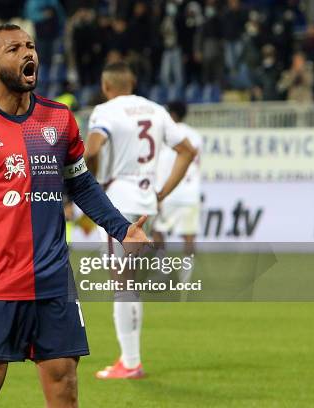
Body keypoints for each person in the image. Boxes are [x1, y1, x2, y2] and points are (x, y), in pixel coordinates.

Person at [0, 24, 150, 408]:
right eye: (14, 49)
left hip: (52, 279)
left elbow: (81, 184)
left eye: (30, 46)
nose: (28, 53)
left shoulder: (58, 119)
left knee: (65, 388)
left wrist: (122, 228)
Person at [84, 62, 195, 379]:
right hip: (147, 201)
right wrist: (161, 193)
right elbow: (186, 151)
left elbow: (92, 149)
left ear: (106, 86)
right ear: (131, 81)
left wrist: (91, 186)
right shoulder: (156, 109)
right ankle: (130, 359)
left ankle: (130, 362)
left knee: (122, 283)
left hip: (118, 202)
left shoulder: (105, 111)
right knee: (128, 283)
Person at [153, 101, 202, 290]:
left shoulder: (168, 135)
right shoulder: (196, 136)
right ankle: (186, 277)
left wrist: (159, 194)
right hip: (190, 193)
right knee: (189, 237)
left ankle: (163, 271)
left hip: (170, 192)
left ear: (171, 114)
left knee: (157, 232)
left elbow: (163, 166)